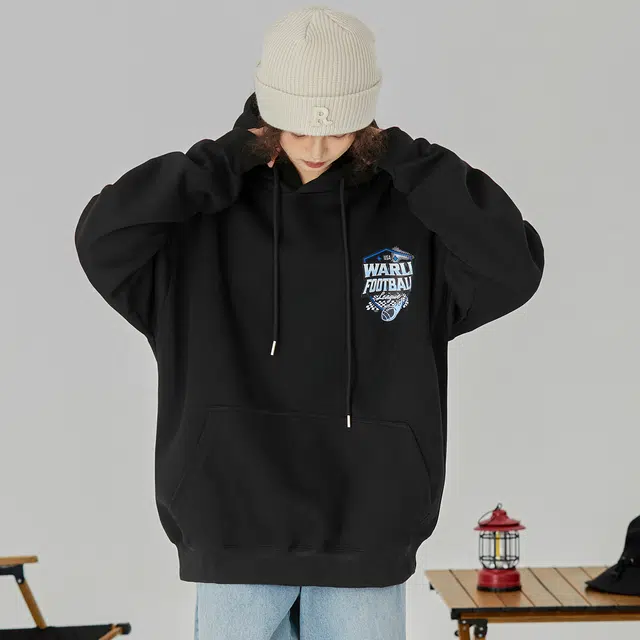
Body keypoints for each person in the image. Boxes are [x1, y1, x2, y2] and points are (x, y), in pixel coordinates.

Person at [73, 5, 545, 639]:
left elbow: (515, 266)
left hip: (367, 530)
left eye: (339, 129)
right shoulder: (203, 214)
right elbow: (103, 237)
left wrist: (412, 162)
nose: (318, 148)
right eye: (298, 129)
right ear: (269, 115)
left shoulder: (409, 210)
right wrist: (222, 161)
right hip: (234, 525)